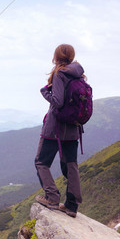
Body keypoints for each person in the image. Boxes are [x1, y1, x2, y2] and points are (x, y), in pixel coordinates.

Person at [35, 44, 85, 218]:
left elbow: (58, 101)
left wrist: (44, 92)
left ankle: (52, 198)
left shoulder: (59, 74)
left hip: (54, 129)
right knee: (70, 166)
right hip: (72, 129)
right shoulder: (79, 75)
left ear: (56, 57)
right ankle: (72, 206)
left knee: (41, 162)